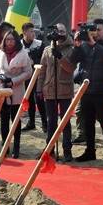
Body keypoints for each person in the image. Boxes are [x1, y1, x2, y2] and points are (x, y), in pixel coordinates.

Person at [71, 18, 103, 164]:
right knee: (88, 123)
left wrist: (94, 44)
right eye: (94, 30)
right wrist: (77, 46)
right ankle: (90, 151)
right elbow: (74, 59)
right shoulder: (85, 45)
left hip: (102, 91)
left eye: (99, 30)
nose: (96, 32)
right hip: (86, 90)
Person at [0, 30, 32, 158]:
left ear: (16, 41)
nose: (9, 42)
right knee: (3, 118)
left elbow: (28, 72)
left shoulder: (23, 54)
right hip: (2, 88)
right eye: (7, 39)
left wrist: (13, 81)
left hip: (16, 89)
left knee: (16, 119)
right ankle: (5, 144)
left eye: (12, 39)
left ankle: (17, 145)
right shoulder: (0, 53)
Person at [40, 23, 77, 161]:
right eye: (57, 31)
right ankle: (49, 150)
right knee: (51, 122)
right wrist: (39, 88)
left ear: (66, 32)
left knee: (65, 121)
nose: (59, 33)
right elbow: (42, 70)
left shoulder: (71, 49)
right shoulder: (47, 49)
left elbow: (71, 68)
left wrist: (60, 57)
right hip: (49, 89)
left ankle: (67, 150)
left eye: (62, 31)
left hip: (65, 89)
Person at [20, 22, 47, 132]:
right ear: (24, 32)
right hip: (24, 77)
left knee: (39, 100)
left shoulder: (40, 44)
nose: (33, 34)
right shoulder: (19, 45)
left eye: (33, 31)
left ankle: (45, 123)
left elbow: (44, 60)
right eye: (30, 31)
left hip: (38, 76)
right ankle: (31, 122)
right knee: (28, 99)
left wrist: (33, 61)